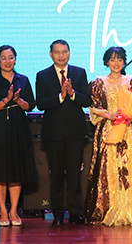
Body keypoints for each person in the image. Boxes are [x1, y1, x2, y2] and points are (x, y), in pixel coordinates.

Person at [84, 47, 132, 225]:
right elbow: (92, 107)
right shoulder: (98, 83)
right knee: (109, 170)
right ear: (106, 62)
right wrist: (109, 115)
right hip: (109, 130)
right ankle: (110, 206)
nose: (116, 63)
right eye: (112, 60)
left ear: (124, 61)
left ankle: (130, 209)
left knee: (129, 168)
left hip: (128, 130)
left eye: (119, 60)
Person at [0, 45, 37, 227]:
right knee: (1, 171)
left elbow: (31, 106)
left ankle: (13, 210)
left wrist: (19, 100)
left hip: (18, 127)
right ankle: (3, 211)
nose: (7, 61)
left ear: (15, 59)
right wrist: (6, 99)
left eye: (10, 57)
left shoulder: (23, 80)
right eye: (3, 58)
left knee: (16, 170)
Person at [36, 39, 91, 226]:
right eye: (57, 52)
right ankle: (58, 214)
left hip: (75, 134)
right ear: (51, 54)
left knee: (75, 176)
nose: (61, 55)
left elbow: (87, 101)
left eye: (64, 51)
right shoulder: (42, 75)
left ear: (69, 53)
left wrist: (72, 93)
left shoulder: (79, 73)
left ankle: (75, 213)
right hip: (54, 134)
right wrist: (60, 96)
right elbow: (40, 103)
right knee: (56, 177)